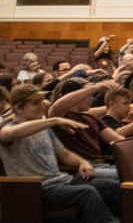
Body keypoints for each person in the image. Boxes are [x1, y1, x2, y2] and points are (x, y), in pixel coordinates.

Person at [0, 84, 121, 223]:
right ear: (18, 108)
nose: (41, 106)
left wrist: (82, 162)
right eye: (35, 103)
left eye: (41, 102)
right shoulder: (7, 128)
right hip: (36, 190)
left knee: (113, 187)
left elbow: (64, 155)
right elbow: (9, 134)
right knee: (87, 193)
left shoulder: (44, 129)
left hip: (61, 181)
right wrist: (53, 120)